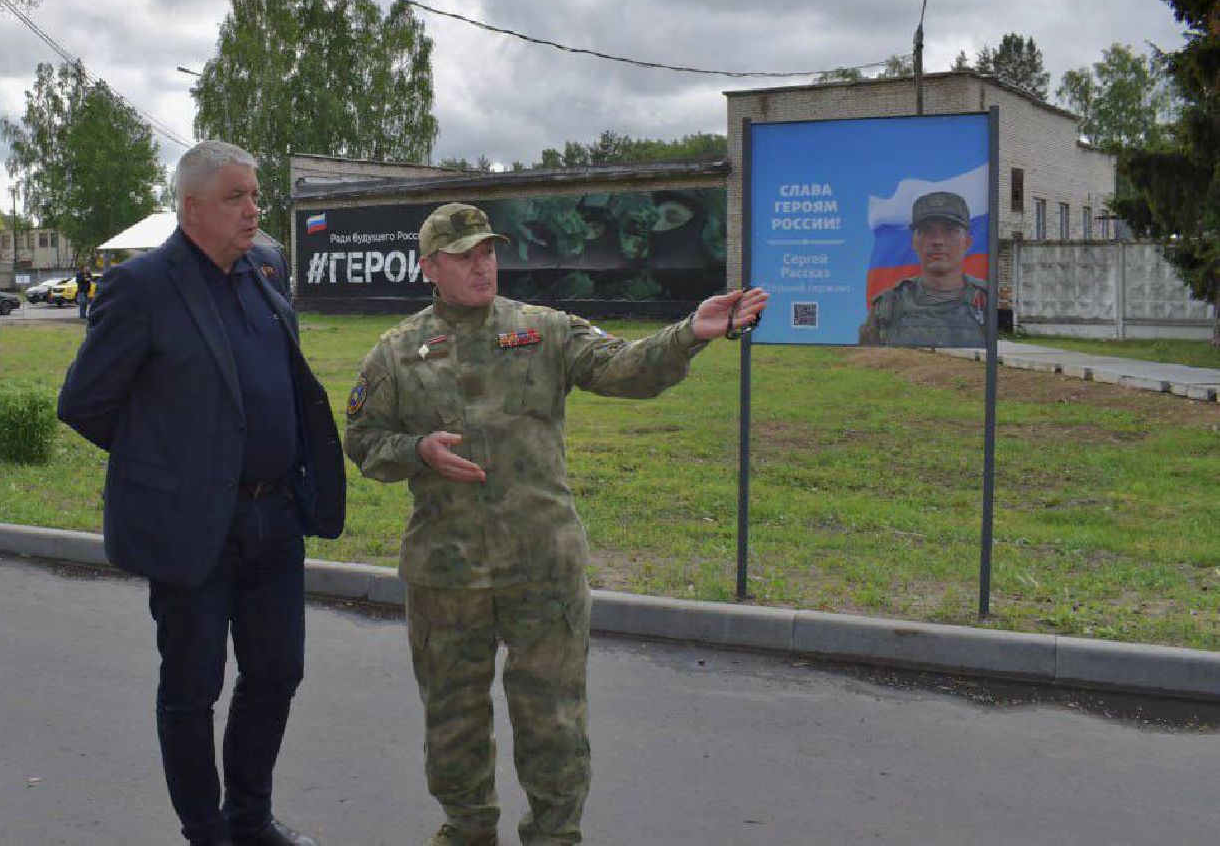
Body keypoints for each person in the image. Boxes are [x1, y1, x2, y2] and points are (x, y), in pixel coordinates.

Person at [343, 202, 768, 846]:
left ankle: (555, 835)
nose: (481, 265)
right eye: (463, 256)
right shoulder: (397, 352)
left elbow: (623, 370)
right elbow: (363, 439)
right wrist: (417, 452)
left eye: (487, 252)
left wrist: (690, 333)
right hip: (446, 575)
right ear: (430, 267)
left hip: (541, 567)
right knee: (452, 720)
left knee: (553, 721)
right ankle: (466, 831)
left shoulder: (543, 330)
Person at [57, 139, 346, 846]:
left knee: (276, 672)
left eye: (254, 197)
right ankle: (205, 831)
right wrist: (173, 469)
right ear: (190, 208)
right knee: (192, 688)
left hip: (274, 515)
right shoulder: (142, 286)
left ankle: (249, 819)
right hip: (192, 525)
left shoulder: (265, 269)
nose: (253, 211)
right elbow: (85, 401)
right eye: (236, 198)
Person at [858, 190, 987, 348]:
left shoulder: (986, 301)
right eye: (926, 231)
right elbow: (866, 365)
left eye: (950, 230)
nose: (938, 241)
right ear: (913, 243)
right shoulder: (887, 307)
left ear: (967, 242)